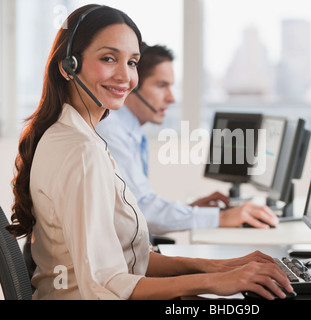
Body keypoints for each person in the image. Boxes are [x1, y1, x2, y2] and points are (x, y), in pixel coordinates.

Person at [7, 4, 292, 300]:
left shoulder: (72, 135)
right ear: (69, 65)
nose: (125, 76)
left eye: (132, 63)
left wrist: (219, 267)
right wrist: (214, 283)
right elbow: (107, 285)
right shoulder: (80, 151)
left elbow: (129, 259)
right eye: (108, 58)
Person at [96, 43, 279, 235]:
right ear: (132, 84)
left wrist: (191, 209)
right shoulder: (112, 131)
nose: (171, 98)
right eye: (161, 85)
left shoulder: (131, 130)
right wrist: (222, 217)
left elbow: (137, 203)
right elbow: (140, 212)